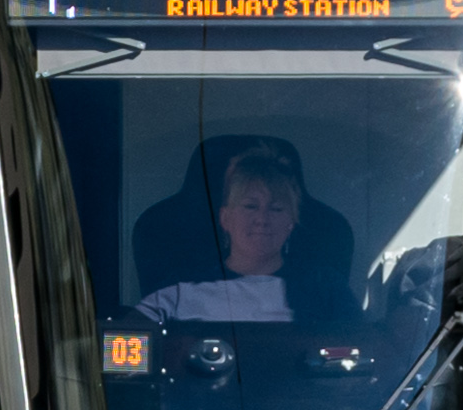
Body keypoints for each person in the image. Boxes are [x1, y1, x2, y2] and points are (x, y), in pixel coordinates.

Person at [139, 136, 355, 327]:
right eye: (250, 206)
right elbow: (122, 351)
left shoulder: (327, 289)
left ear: (291, 222)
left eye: (276, 208)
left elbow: (363, 348)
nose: (262, 219)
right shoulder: (179, 290)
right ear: (226, 218)